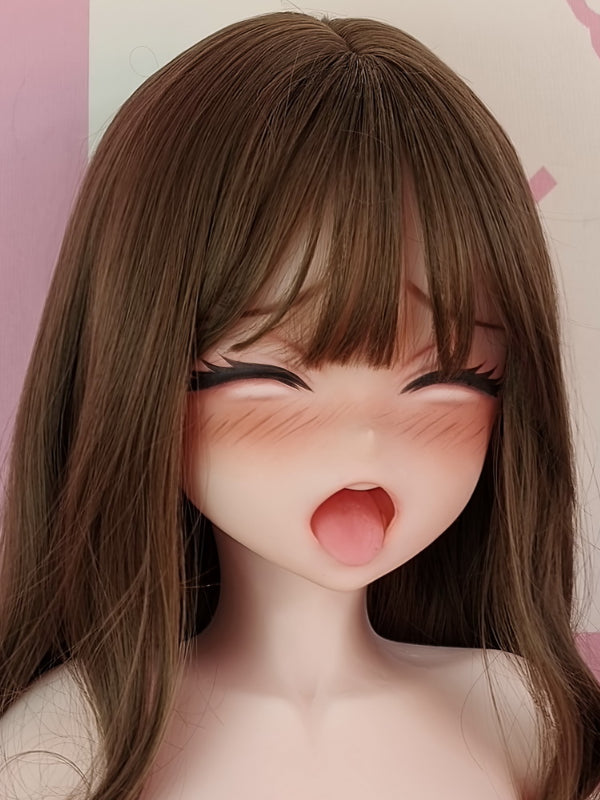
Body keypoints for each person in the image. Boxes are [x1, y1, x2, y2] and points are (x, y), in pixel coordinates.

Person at [1, 10, 599, 800]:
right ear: (140, 373)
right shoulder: (63, 748)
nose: (365, 443)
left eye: (446, 380)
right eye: (273, 377)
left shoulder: (526, 720)